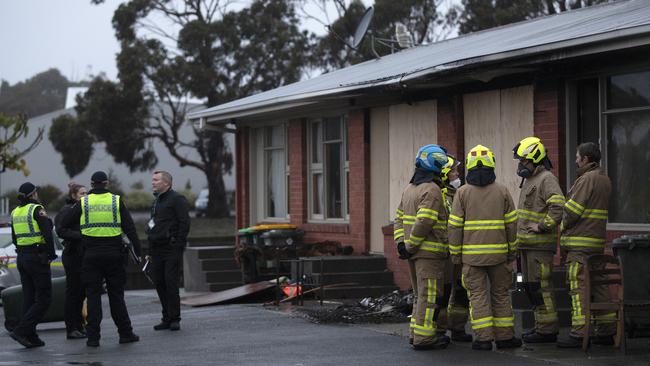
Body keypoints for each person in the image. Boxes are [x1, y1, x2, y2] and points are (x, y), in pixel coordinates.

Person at [448, 145, 522, 351]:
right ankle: (505, 338)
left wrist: (456, 255)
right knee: (500, 295)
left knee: (478, 296)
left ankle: (483, 339)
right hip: (499, 256)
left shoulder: (461, 193)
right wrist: (511, 253)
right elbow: (512, 225)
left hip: (471, 259)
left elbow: (454, 227)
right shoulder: (503, 191)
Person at [59, 171, 141, 347]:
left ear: (92, 184)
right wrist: (138, 252)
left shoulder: (84, 202)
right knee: (116, 296)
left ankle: (93, 338)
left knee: (93, 296)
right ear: (106, 183)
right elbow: (130, 228)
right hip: (114, 256)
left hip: (91, 256)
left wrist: (83, 235)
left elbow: (62, 225)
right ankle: (125, 333)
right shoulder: (116, 201)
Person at [557, 142, 614, 348]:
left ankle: (580, 333)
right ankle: (607, 330)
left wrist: (561, 224)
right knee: (600, 286)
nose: (575, 160)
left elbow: (572, 211)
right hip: (596, 243)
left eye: (577, 157)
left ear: (586, 159)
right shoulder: (604, 178)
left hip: (579, 245)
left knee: (578, 287)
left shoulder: (586, 179)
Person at [394, 144, 450, 350]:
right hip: (429, 254)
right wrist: (410, 245)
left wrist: (401, 244)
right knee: (430, 297)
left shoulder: (410, 188)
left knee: (419, 295)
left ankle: (415, 333)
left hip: (413, 254)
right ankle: (425, 338)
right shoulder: (432, 189)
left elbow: (398, 218)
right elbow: (424, 222)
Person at [512, 137, 565, 343]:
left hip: (539, 247)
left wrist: (543, 226)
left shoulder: (546, 178)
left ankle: (548, 330)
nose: (520, 165)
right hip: (526, 245)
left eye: (523, 161)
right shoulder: (530, 179)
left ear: (534, 159)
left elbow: (558, 206)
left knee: (541, 288)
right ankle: (540, 326)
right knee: (530, 288)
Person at [9, 182, 57, 348]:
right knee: (44, 299)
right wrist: (50, 255)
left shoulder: (15, 212)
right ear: (33, 194)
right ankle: (21, 331)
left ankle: (31, 336)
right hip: (37, 258)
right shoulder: (37, 209)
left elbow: (15, 238)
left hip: (22, 257)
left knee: (29, 298)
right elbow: (48, 235)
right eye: (36, 192)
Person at [147, 171, 190, 331]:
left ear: (166, 183)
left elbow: (184, 223)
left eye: (156, 180)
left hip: (171, 248)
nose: (153, 182)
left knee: (171, 282)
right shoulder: (156, 201)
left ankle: (174, 318)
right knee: (159, 282)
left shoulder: (177, 199)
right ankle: (166, 317)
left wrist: (178, 245)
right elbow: (153, 223)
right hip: (157, 249)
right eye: (153, 180)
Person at [439, 155, 472, 342]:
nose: (458, 174)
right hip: (444, 253)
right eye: (454, 171)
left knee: (461, 290)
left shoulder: (460, 194)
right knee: (443, 292)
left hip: (460, 251)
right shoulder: (439, 195)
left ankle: (458, 327)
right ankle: (440, 329)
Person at [55, 182, 89, 340]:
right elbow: (61, 230)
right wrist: (81, 236)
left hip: (83, 255)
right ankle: (71, 328)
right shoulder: (67, 210)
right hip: (73, 255)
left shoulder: (84, 209)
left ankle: (79, 325)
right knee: (73, 293)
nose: (85, 196)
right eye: (82, 193)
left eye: (86, 193)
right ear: (74, 195)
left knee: (81, 293)